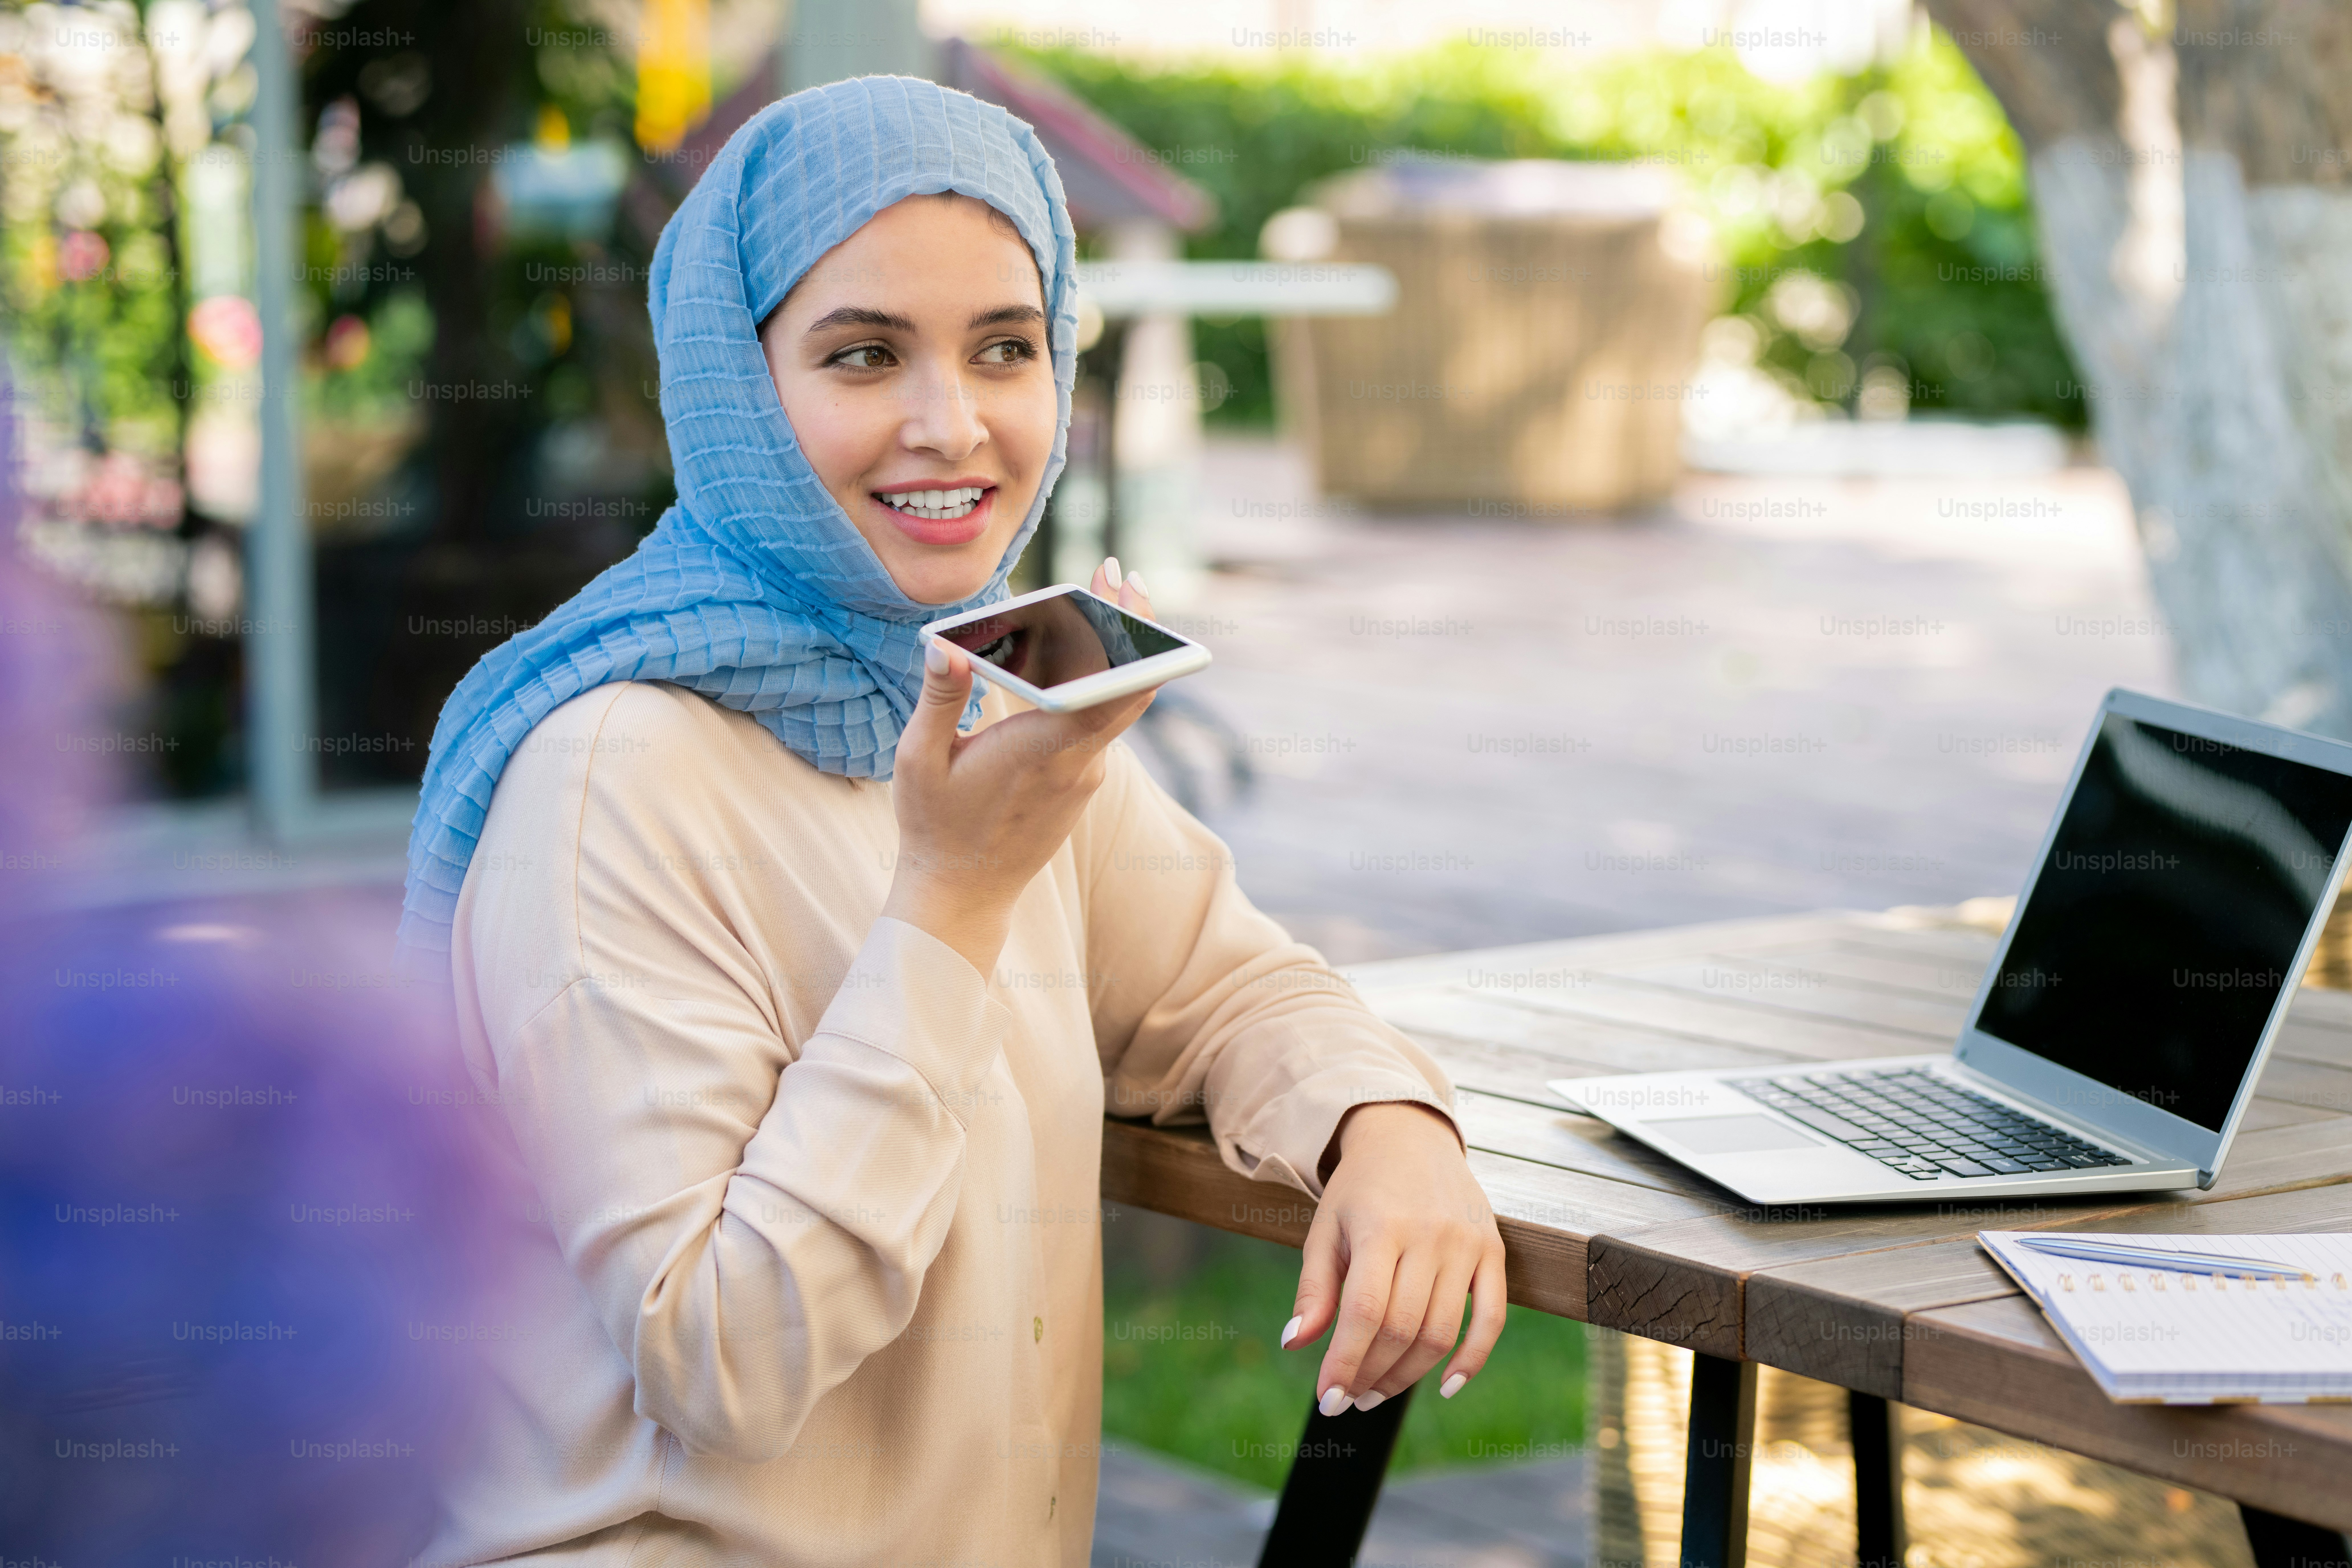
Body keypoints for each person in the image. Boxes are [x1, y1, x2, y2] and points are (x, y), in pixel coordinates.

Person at [401, 75, 1504, 1566]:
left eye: (1007, 347)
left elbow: (1229, 985)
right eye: (864, 355)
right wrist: (952, 897)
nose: (953, 425)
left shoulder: (988, 694)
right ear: (737, 384)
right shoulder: (614, 773)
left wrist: (1386, 1127)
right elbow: (723, 1360)